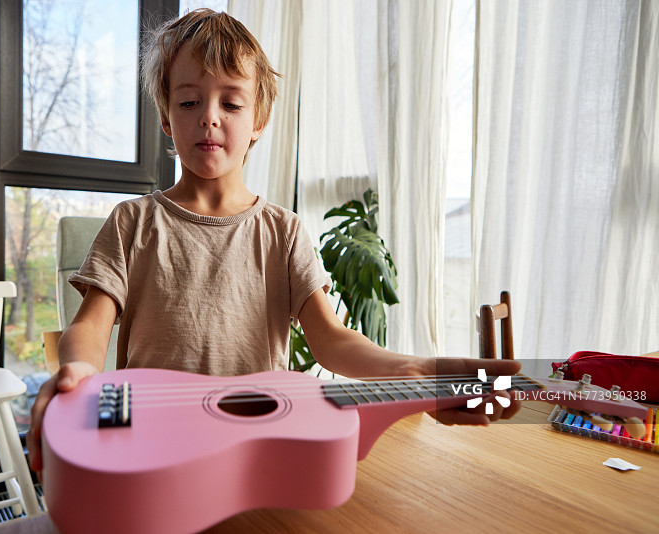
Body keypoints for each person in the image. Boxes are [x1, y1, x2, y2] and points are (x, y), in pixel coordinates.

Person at [26, 8, 521, 477]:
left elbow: (331, 340)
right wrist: (77, 373)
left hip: (256, 452)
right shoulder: (133, 221)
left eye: (232, 102)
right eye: (189, 101)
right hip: (152, 449)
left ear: (258, 120)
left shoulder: (283, 231)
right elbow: (89, 327)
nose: (210, 117)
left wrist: (412, 366)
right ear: (165, 117)